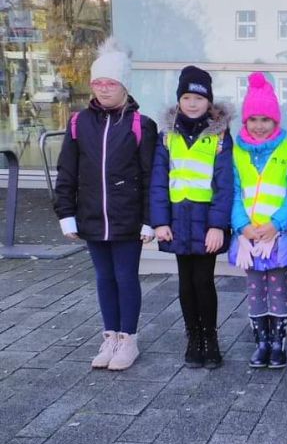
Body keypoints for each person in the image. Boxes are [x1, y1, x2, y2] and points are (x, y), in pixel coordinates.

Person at [54, 38, 158, 371]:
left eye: (110, 83)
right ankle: (110, 335)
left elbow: (151, 176)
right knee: (104, 277)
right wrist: (66, 214)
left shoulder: (141, 125)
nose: (103, 89)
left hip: (127, 219)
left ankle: (128, 339)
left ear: (124, 85)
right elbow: (67, 171)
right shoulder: (79, 122)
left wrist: (150, 219)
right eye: (98, 82)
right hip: (92, 216)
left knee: (125, 276)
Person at [149, 66, 234, 369]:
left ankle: (210, 338)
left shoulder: (219, 136)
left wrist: (217, 226)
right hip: (177, 220)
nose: (192, 103)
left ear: (208, 101)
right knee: (185, 282)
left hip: (205, 221)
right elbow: (158, 180)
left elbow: (224, 184)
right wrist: (160, 221)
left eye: (198, 98)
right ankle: (193, 337)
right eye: (186, 97)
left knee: (203, 281)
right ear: (179, 100)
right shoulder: (166, 136)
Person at [229, 72, 287, 370]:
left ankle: (278, 342)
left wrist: (277, 224)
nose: (259, 125)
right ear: (245, 120)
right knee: (254, 289)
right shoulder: (237, 152)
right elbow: (233, 192)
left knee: (277, 287)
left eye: (265, 120)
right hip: (249, 236)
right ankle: (261, 341)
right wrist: (243, 226)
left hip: (277, 235)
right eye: (253, 119)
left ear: (275, 121)